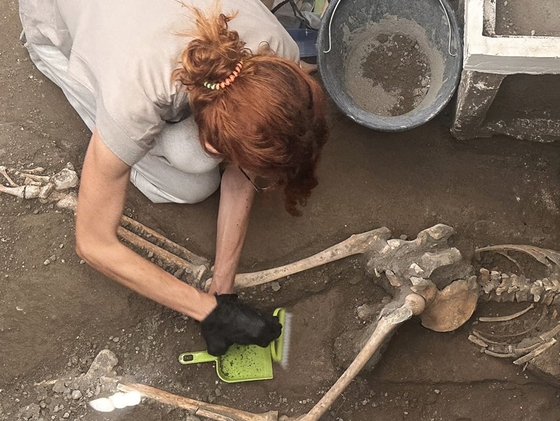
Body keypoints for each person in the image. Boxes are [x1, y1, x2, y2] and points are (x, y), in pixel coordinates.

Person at [18, 0, 329, 355]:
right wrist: (209, 312)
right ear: (216, 144)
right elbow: (93, 243)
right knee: (193, 180)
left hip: (142, 30)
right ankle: (117, 141)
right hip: (57, 29)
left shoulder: (278, 57)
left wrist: (222, 289)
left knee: (192, 158)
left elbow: (245, 171)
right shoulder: (135, 95)